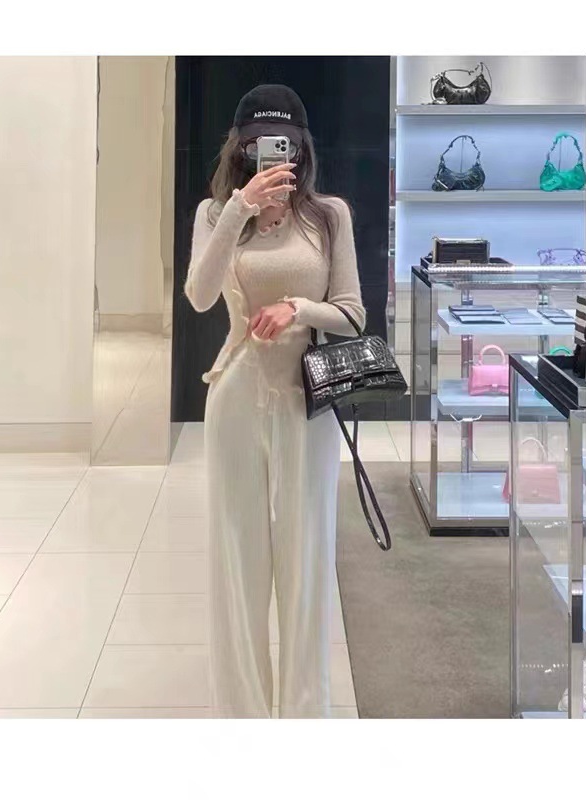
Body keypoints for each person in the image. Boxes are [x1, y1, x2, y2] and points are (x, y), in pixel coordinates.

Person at [184, 84, 366, 718]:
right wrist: (239, 208)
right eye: (259, 143)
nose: (272, 153)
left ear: (301, 147)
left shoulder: (329, 216)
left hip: (305, 399)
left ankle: (304, 715)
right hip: (235, 393)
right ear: (240, 147)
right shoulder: (216, 214)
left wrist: (298, 308)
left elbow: (352, 313)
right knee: (237, 558)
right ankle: (243, 718)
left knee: (305, 555)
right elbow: (199, 296)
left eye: (283, 143)